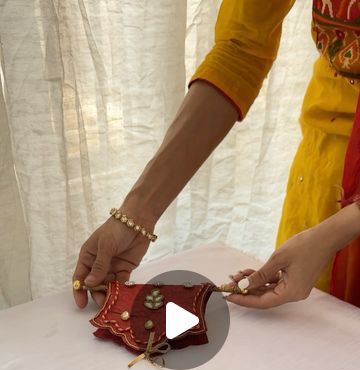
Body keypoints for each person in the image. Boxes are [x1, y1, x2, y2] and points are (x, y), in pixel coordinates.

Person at [73, 0, 360, 311]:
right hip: (329, 179)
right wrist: (137, 212)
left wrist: (332, 235)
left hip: (328, 231)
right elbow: (239, 52)